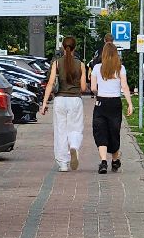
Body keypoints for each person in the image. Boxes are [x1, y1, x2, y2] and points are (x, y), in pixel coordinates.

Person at [40, 36, 87, 172]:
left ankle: (63, 164)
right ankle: (73, 146)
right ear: (75, 48)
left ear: (62, 47)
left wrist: (44, 103)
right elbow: (84, 88)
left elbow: (50, 84)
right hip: (75, 100)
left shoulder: (56, 63)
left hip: (60, 100)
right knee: (76, 128)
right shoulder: (81, 65)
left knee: (60, 131)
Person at [91, 35, 134, 174]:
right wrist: (130, 103)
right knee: (114, 132)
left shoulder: (97, 68)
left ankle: (103, 162)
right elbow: (125, 87)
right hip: (115, 103)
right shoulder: (121, 69)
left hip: (101, 102)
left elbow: (92, 88)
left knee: (100, 130)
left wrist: (99, 91)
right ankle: (115, 160)